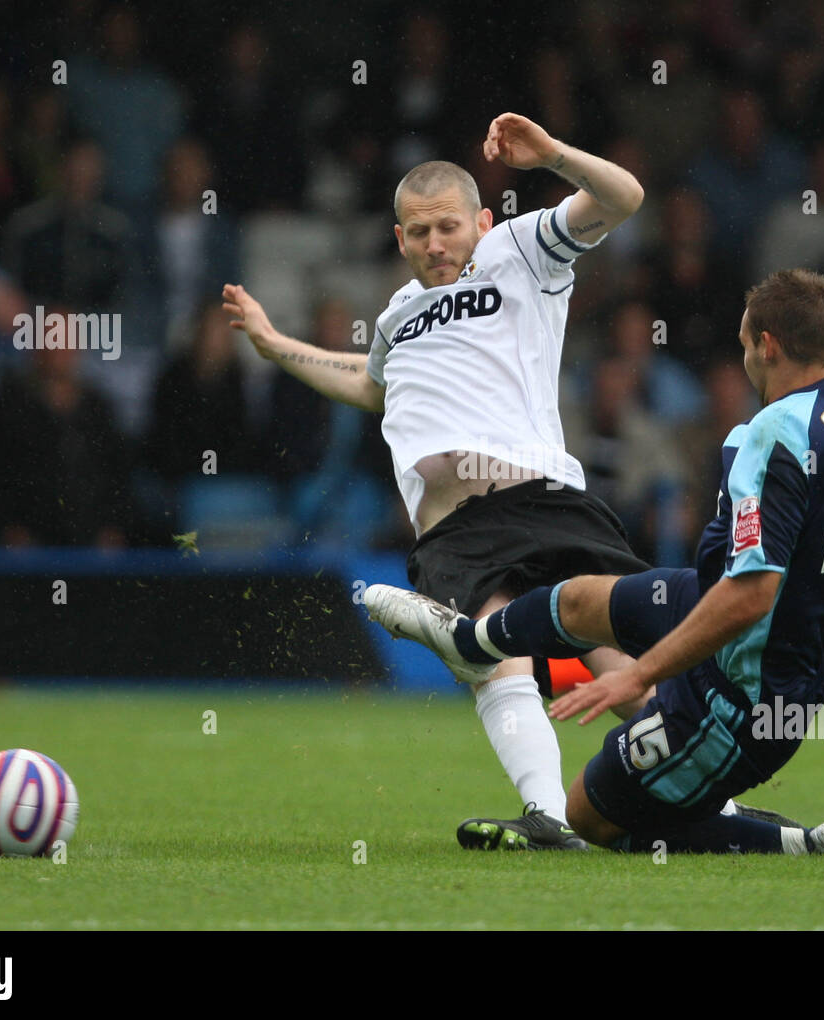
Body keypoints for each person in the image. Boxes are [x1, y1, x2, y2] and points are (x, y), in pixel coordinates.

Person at [365, 269, 824, 855]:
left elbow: (750, 597)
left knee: (590, 815)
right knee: (578, 598)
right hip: (724, 603)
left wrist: (640, 675)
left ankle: (802, 844)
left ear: (767, 345)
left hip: (749, 673)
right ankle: (471, 641)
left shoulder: (769, 434)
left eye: (744, 342)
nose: (742, 355)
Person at [223, 113, 655, 849]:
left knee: (626, 674)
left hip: (546, 498)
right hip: (454, 530)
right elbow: (366, 384)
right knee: (495, 660)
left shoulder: (523, 251)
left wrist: (549, 155)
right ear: (398, 239)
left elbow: (624, 197)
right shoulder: (394, 317)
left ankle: (716, 802)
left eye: (448, 227)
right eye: (418, 233)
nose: (435, 244)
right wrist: (273, 345)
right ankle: (549, 819)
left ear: (482, 220)